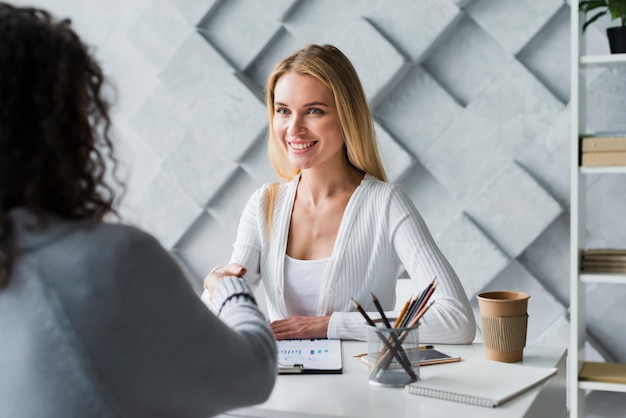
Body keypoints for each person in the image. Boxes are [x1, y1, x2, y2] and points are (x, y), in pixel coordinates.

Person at [0, 3, 276, 418]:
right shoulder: (114, 261)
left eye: (314, 110)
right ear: (68, 124)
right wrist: (231, 291)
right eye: (284, 111)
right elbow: (252, 374)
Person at [204, 44, 476, 344]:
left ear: (347, 117)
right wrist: (217, 284)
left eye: (314, 111)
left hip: (364, 390)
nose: (293, 129)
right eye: (283, 111)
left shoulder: (385, 204)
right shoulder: (264, 205)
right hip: (284, 389)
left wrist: (329, 326)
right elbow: (213, 320)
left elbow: (457, 320)